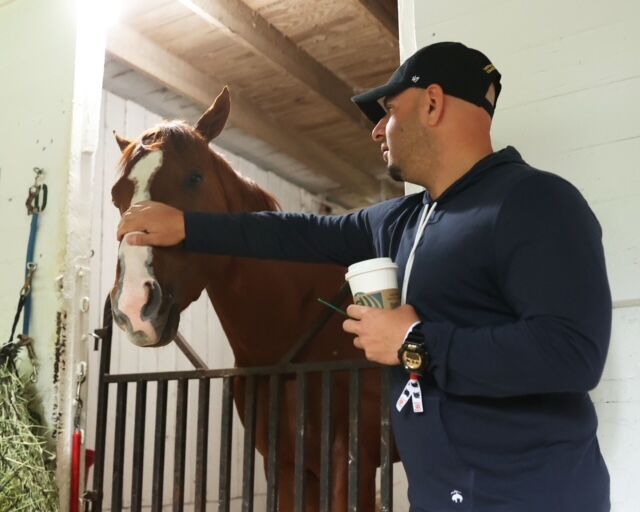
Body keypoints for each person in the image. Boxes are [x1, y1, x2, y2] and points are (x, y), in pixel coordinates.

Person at [118, 42, 612, 511]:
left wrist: (415, 343)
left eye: (389, 111)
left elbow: (572, 354)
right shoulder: (403, 220)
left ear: (433, 104)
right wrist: (185, 225)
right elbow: (298, 234)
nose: (378, 131)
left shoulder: (538, 202)